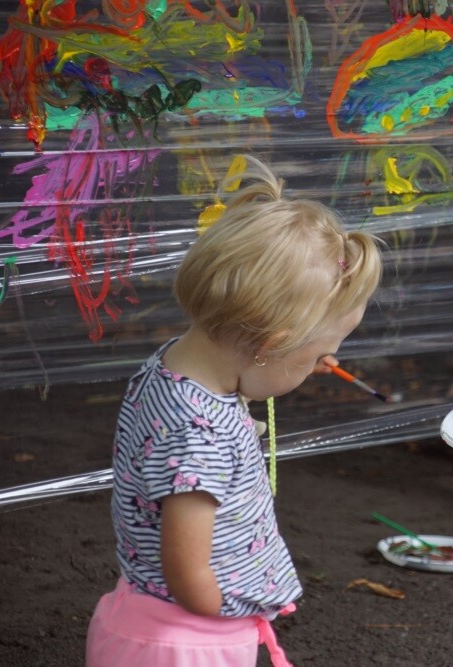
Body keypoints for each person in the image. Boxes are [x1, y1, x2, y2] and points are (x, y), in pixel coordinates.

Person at [86, 156, 383, 666]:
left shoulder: (177, 370)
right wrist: (225, 617)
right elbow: (187, 567)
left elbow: (229, 386)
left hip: (152, 624)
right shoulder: (199, 432)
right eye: (316, 355)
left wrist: (295, 361)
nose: (327, 363)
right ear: (269, 344)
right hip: (188, 642)